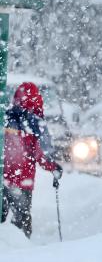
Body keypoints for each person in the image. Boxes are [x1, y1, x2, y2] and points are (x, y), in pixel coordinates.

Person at [1, 81, 63, 239]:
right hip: (23, 182)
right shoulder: (36, 124)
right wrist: (54, 167)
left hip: (3, 179)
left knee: (2, 221)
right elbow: (43, 154)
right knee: (22, 222)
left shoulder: (5, 117)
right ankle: (23, 252)